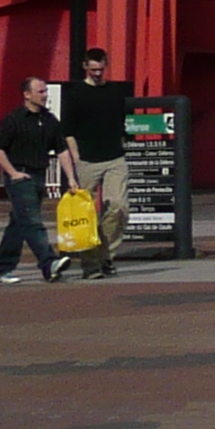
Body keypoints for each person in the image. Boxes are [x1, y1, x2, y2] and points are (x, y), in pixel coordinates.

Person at [0, 78, 71, 284]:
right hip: (20, 177)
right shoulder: (13, 119)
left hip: (39, 174)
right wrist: (13, 172)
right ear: (27, 95)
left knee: (19, 223)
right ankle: (49, 263)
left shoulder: (49, 120)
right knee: (32, 221)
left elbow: (61, 149)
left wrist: (72, 179)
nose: (45, 95)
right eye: (40, 91)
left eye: (46, 91)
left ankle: (0, 268)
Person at [57, 48, 133, 279]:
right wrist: (77, 156)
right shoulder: (76, 94)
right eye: (93, 70)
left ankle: (105, 255)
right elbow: (67, 130)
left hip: (114, 157)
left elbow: (122, 123)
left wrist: (121, 144)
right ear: (85, 67)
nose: (98, 73)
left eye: (101, 69)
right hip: (87, 160)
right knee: (85, 214)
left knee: (119, 206)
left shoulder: (115, 91)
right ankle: (90, 265)